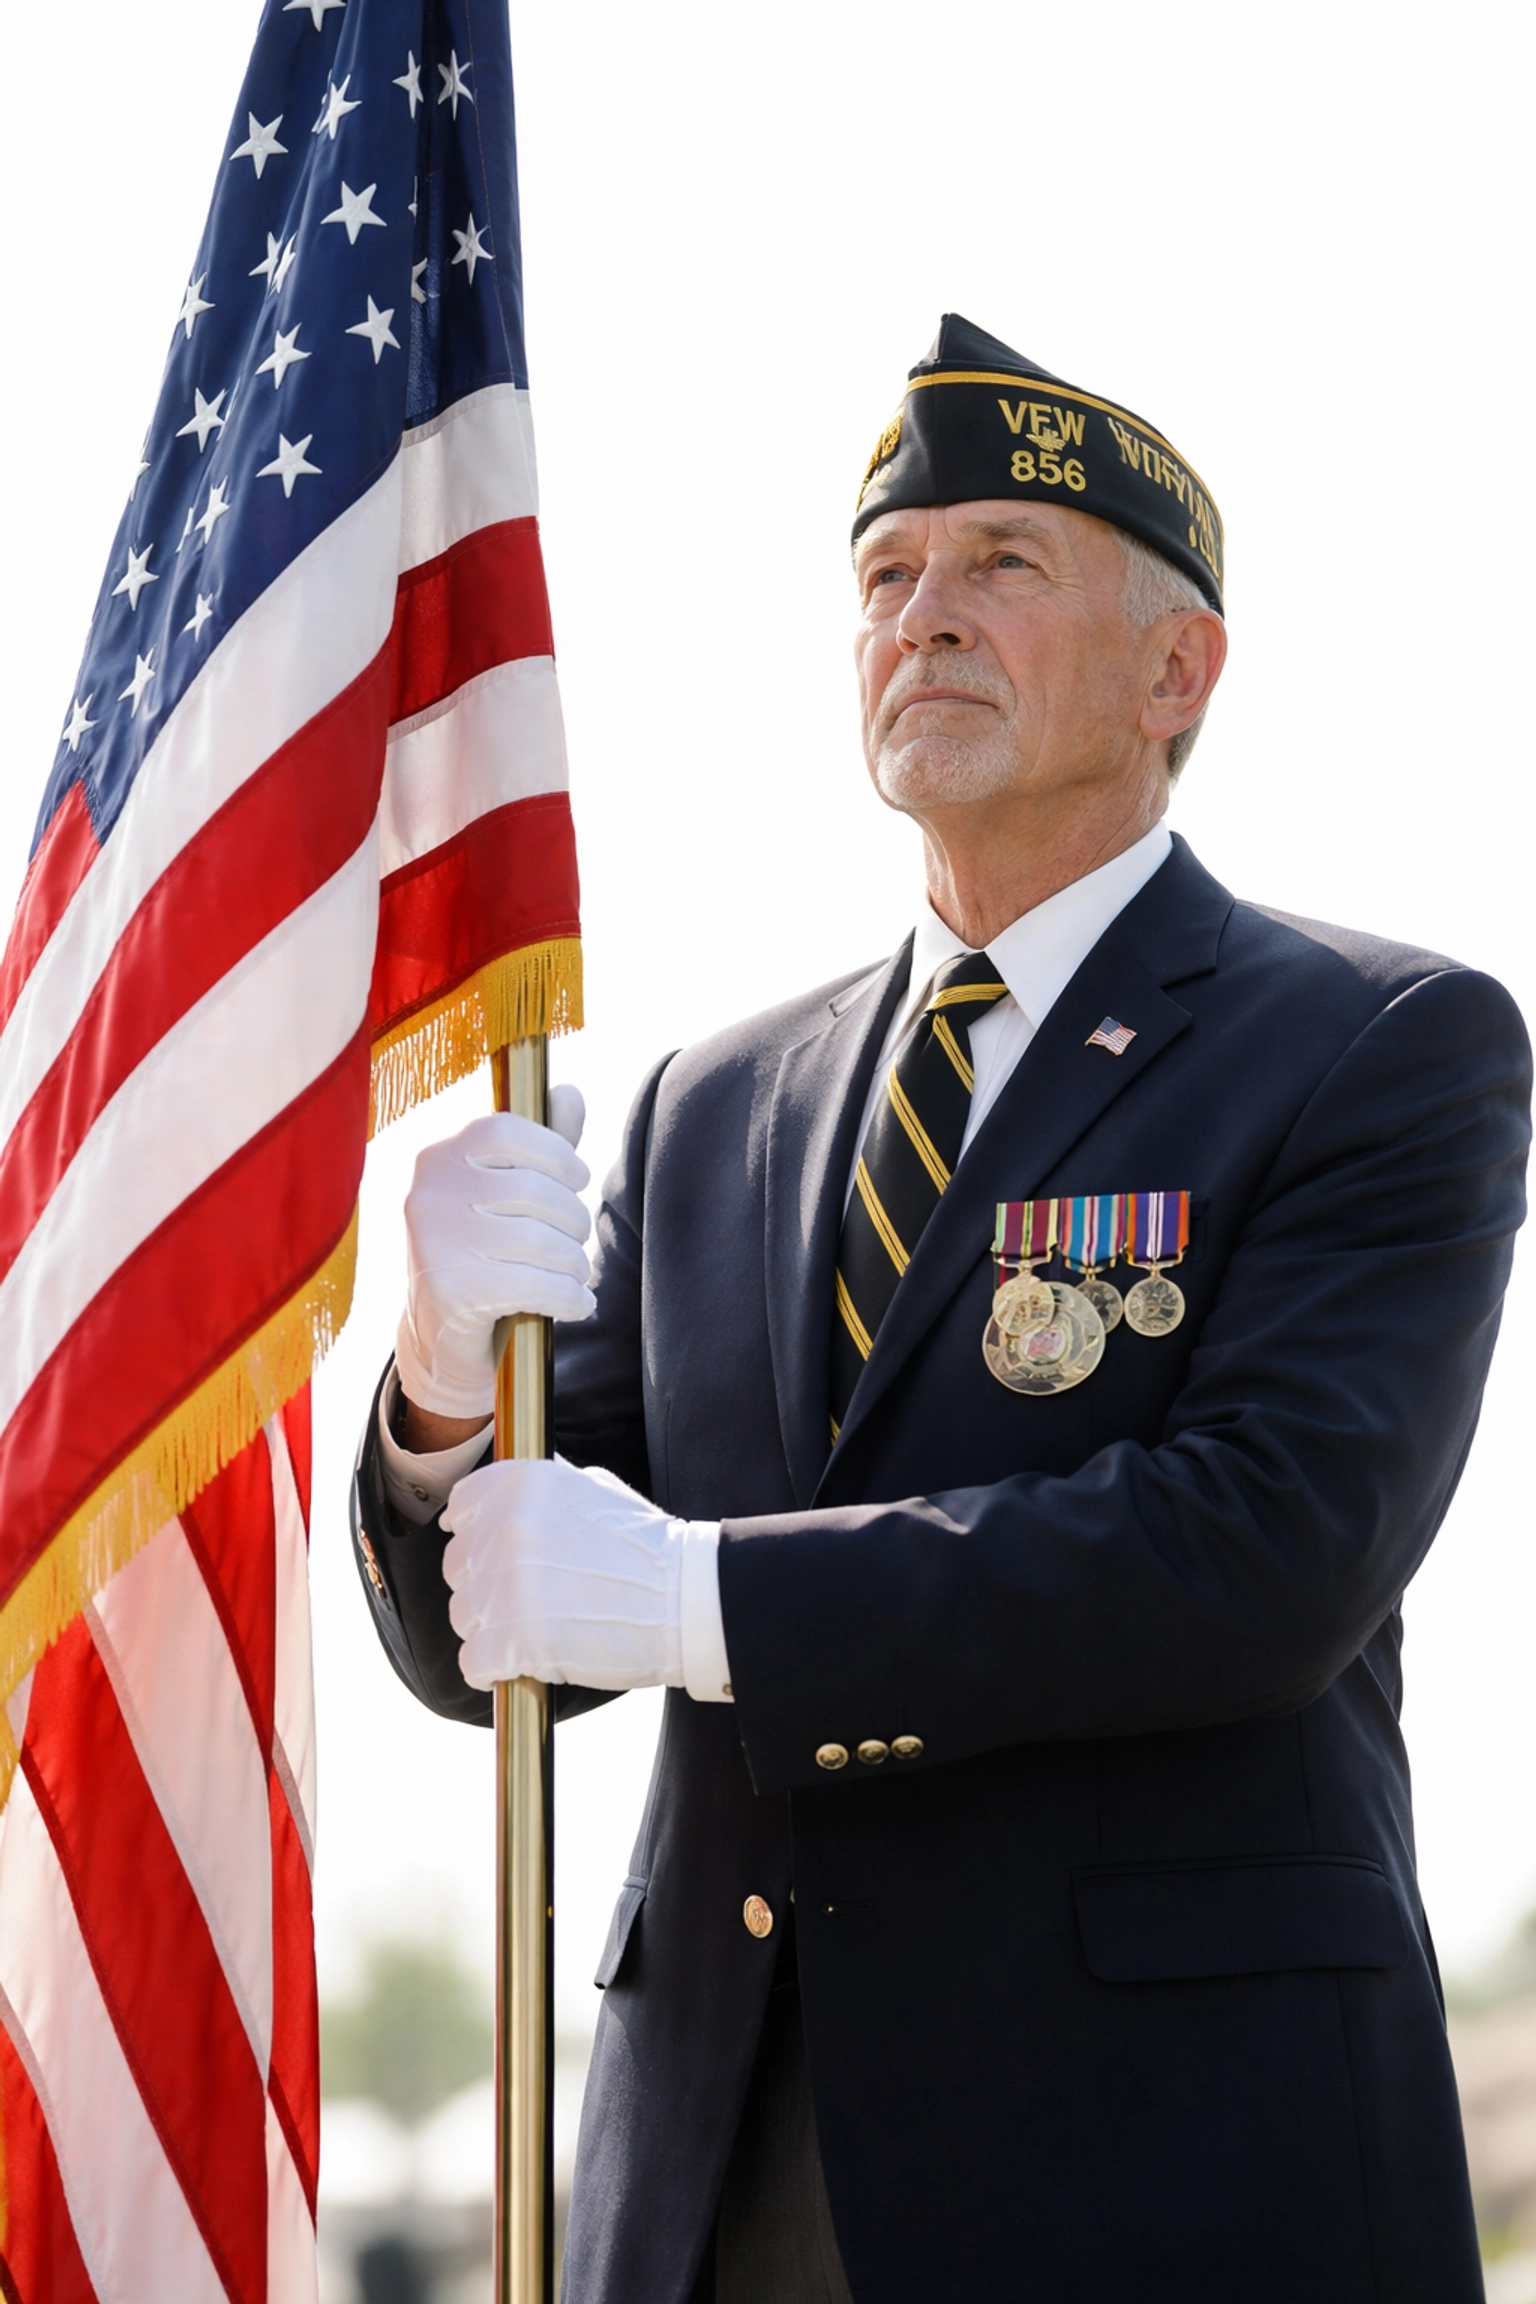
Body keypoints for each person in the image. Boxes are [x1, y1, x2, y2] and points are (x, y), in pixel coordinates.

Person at [350, 314, 1531, 2303]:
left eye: (1004, 563)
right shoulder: (717, 1104)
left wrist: (707, 1597)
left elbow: (1263, 1549)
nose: (928, 617)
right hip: (722, 2179)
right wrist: (442, 1390)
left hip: (1164, 2175)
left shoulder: (1378, 1047)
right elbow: (497, 1649)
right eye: (888, 576)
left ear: (1181, 669)